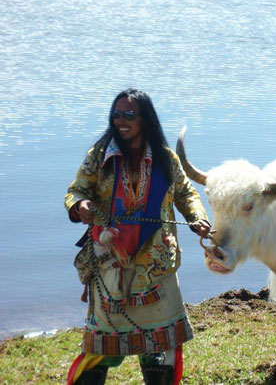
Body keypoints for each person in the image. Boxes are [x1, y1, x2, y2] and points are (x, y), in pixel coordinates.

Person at [64, 88, 211, 385]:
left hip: (156, 266)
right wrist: (80, 206)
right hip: (109, 265)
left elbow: (185, 193)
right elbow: (76, 191)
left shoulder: (166, 160)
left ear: (146, 119)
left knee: (162, 347)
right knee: (100, 346)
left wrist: (198, 218)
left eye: (129, 114)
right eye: (116, 114)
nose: (121, 120)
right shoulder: (98, 156)